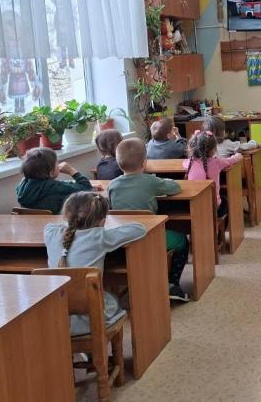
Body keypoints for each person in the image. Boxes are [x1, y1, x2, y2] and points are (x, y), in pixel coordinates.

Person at [44, 192, 144, 335]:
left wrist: (70, 225)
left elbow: (51, 226)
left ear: (66, 216)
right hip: (90, 319)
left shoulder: (51, 233)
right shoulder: (99, 237)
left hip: (56, 318)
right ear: (102, 222)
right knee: (113, 300)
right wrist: (101, 228)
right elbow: (139, 229)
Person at [107, 138, 190, 302]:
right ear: (144, 162)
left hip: (121, 238)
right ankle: (172, 284)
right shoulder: (150, 181)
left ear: (119, 163)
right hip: (148, 236)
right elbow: (175, 188)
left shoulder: (113, 185)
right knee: (182, 241)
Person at [182, 131, 243, 218]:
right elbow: (232, 160)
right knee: (225, 199)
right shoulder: (217, 162)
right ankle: (222, 225)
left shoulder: (188, 163)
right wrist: (238, 155)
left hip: (194, 206)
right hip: (213, 207)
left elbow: (185, 163)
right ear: (214, 149)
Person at [16, 147, 92, 214]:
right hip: (55, 224)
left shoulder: (22, 185)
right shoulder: (56, 187)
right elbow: (86, 188)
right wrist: (72, 171)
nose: (58, 165)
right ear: (51, 172)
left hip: (30, 224)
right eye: (57, 163)